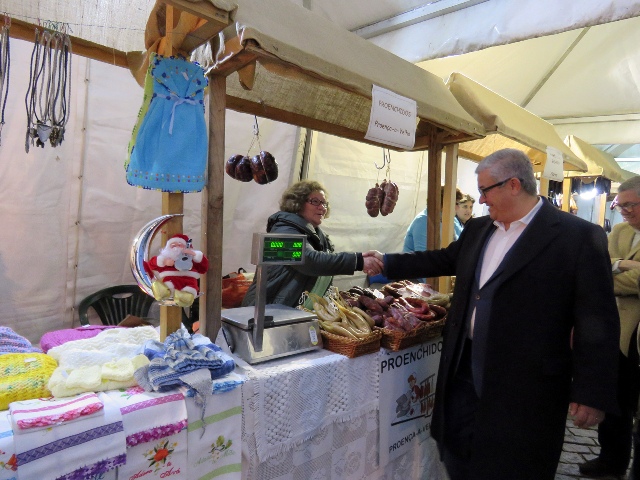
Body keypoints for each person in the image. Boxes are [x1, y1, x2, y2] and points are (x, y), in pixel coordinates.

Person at [363, 148, 620, 480]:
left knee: (514, 465)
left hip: (526, 387)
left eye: (485, 190)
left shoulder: (578, 237)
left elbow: (596, 318)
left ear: (513, 185)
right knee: (458, 457)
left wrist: (591, 392)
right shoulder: (480, 229)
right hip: (464, 371)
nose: (481, 200)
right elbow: (443, 259)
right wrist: (388, 262)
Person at [579, 176, 640, 479]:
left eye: (631, 205)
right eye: (621, 204)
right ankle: (610, 459)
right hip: (618, 334)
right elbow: (597, 269)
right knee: (614, 401)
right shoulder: (619, 230)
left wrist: (614, 268)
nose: (625, 210)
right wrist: (623, 266)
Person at [241, 180, 380, 308]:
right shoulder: (283, 230)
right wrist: (359, 261)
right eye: (315, 201)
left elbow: (323, 269)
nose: (322, 208)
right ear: (298, 203)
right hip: (265, 312)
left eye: (324, 203)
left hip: (290, 313)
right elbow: (308, 259)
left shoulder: (319, 237)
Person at [145, 233, 209, 307]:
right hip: (170, 281)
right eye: (173, 245)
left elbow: (203, 268)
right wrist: (164, 261)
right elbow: (151, 265)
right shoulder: (167, 259)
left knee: (189, 291)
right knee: (166, 288)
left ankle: (185, 297)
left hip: (189, 281)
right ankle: (164, 293)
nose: (176, 247)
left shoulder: (191, 259)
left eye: (179, 245)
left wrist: (195, 255)